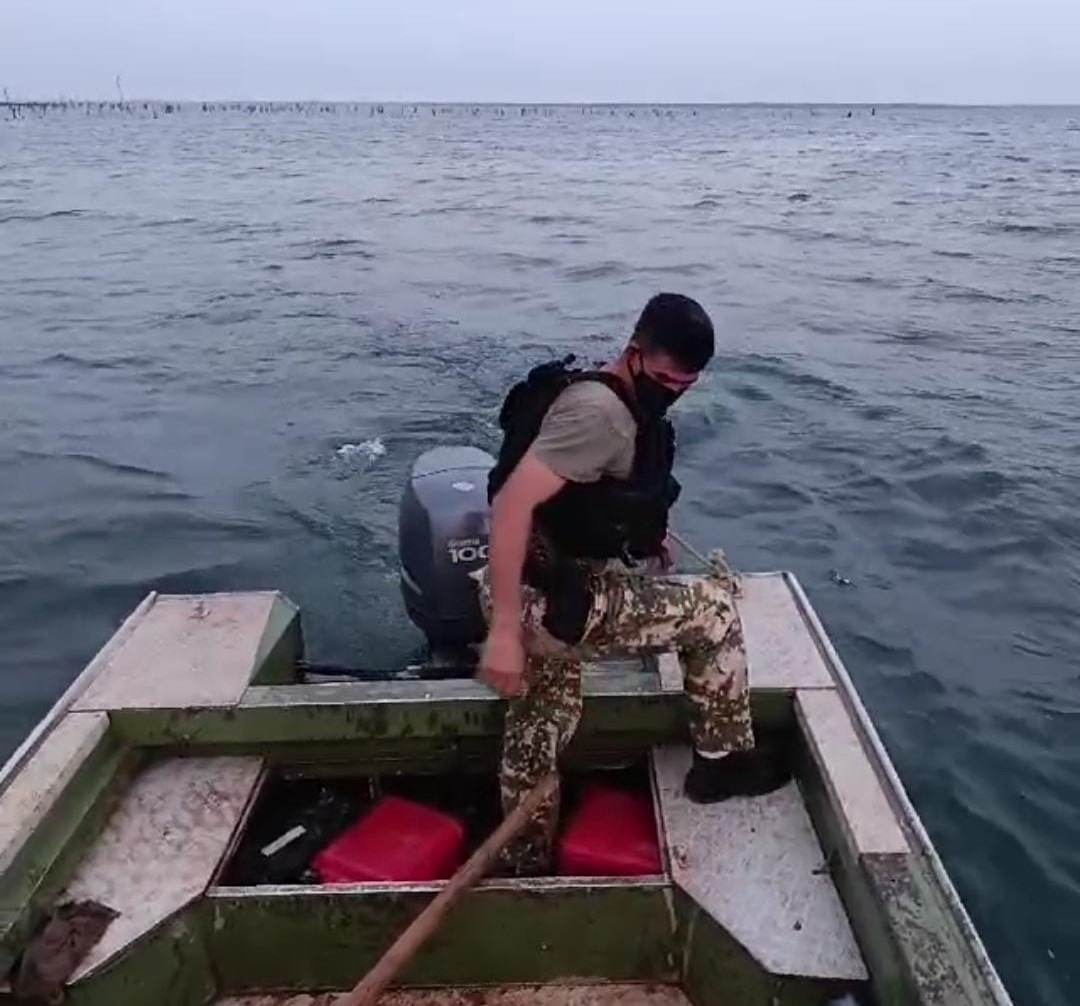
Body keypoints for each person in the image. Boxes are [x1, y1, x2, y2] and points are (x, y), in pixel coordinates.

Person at [476, 293, 790, 874]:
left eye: (687, 386)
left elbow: (580, 500)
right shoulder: (601, 415)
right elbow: (512, 504)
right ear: (635, 355)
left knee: (543, 714)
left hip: (530, 588)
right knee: (715, 612)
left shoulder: (597, 388)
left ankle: (525, 858)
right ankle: (720, 764)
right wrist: (500, 634)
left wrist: (644, 531)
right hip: (540, 601)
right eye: (668, 381)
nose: (673, 394)